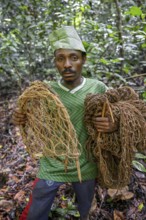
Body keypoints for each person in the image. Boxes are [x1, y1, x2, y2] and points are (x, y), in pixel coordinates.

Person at [12, 26, 116, 220]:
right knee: (36, 210)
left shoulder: (98, 87)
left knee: (85, 209)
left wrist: (112, 126)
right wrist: (20, 118)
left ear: (83, 60)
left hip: (86, 163)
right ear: (55, 63)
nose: (67, 64)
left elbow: (116, 117)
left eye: (73, 58)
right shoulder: (46, 91)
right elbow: (29, 115)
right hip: (53, 162)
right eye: (61, 59)